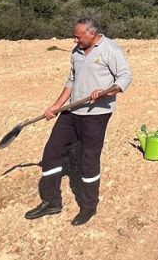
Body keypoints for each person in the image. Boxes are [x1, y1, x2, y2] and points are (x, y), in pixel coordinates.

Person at [26, 18, 132, 226]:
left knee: (88, 159)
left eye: (78, 36)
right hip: (72, 110)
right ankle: (51, 202)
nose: (74, 40)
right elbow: (71, 81)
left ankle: (89, 206)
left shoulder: (110, 49)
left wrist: (105, 92)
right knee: (51, 152)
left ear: (91, 34)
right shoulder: (76, 52)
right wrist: (56, 106)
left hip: (97, 114)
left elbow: (125, 77)